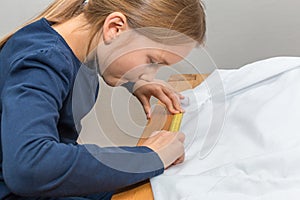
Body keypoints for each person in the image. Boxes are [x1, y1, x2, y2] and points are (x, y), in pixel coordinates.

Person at [0, 0, 206, 199]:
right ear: (115, 28)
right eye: (151, 61)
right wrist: (150, 157)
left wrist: (134, 82)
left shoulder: (81, 42)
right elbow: (28, 167)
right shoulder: (42, 63)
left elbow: (87, 64)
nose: (150, 75)